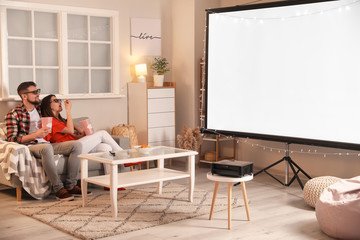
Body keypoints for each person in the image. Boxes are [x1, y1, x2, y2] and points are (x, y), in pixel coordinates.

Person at [5, 81, 85, 201]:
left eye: (38, 91)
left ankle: (71, 185)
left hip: (47, 143)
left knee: (77, 145)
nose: (38, 94)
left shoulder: (40, 110)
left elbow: (59, 121)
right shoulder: (14, 113)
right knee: (46, 148)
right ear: (24, 96)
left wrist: (76, 126)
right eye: (34, 92)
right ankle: (58, 189)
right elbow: (13, 139)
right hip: (31, 145)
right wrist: (35, 135)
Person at [40, 94, 128, 189]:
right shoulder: (50, 121)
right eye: (56, 101)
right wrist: (68, 110)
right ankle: (125, 157)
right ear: (48, 105)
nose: (59, 102)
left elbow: (73, 134)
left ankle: (109, 183)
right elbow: (69, 130)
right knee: (102, 133)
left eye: (59, 100)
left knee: (106, 147)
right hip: (68, 150)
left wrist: (80, 134)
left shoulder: (61, 121)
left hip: (76, 146)